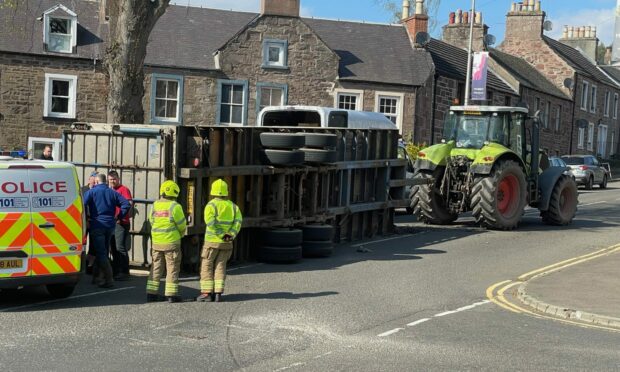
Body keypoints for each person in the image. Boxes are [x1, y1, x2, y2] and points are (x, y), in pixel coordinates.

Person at [197, 179, 242, 303]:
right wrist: (230, 235)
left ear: (213, 191)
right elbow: (238, 223)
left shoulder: (211, 205)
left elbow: (210, 223)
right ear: (226, 191)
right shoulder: (233, 206)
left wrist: (221, 235)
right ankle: (218, 293)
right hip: (227, 243)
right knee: (220, 267)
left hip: (212, 242)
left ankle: (206, 293)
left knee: (207, 266)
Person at [83, 174, 130, 288]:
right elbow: (126, 204)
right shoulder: (112, 192)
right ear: (105, 181)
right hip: (110, 226)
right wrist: (118, 216)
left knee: (101, 253)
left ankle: (109, 280)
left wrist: (86, 219)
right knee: (101, 251)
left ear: (98, 181)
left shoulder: (92, 192)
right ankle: (96, 277)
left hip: (97, 225)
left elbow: (82, 205)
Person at [146, 180, 187, 303]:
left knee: (156, 268)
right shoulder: (175, 206)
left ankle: (151, 294)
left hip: (157, 243)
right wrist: (180, 234)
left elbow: (151, 221)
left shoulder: (154, 205)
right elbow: (182, 225)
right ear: (175, 192)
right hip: (171, 243)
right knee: (172, 268)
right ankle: (171, 295)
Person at [108, 170, 134, 281]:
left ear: (118, 179)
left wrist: (119, 217)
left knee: (120, 247)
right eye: (110, 180)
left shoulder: (124, 190)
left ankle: (124, 271)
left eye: (114, 179)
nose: (112, 181)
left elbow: (129, 205)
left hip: (121, 223)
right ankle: (116, 270)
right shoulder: (109, 190)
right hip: (112, 223)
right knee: (113, 248)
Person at [82, 171, 99, 275]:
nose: (95, 180)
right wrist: (87, 219)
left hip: (95, 221)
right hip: (84, 220)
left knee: (93, 244)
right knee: (83, 242)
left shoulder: (98, 190)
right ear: (90, 179)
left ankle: (90, 265)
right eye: (94, 178)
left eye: (96, 179)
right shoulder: (83, 190)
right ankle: (83, 263)